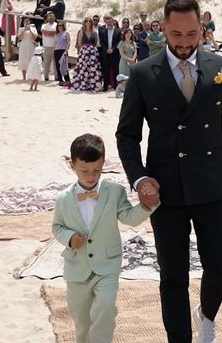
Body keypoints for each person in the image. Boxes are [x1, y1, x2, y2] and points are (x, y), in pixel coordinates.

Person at [116, 0, 222, 343]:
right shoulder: (141, 73)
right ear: (164, 28)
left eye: (191, 34)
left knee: (220, 268)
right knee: (173, 276)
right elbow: (127, 135)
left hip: (212, 184)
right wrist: (139, 178)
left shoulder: (221, 68)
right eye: (177, 34)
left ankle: (207, 316)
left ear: (203, 30)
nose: (184, 43)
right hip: (165, 189)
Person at [52, 134, 157, 343]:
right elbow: (57, 227)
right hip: (77, 269)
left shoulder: (115, 192)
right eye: (85, 171)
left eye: (97, 170)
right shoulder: (63, 199)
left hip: (107, 265)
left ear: (103, 165)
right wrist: (70, 238)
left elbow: (129, 217)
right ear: (72, 166)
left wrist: (148, 205)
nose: (91, 176)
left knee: (105, 309)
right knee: (81, 319)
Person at [71, 17, 103, 92]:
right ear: (84, 22)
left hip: (92, 52)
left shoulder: (94, 32)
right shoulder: (81, 31)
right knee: (83, 68)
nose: (88, 22)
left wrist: (91, 49)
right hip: (84, 51)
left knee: (92, 69)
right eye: (86, 21)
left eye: (89, 21)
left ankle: (92, 84)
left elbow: (95, 43)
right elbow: (79, 43)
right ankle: (83, 84)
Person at [99, 15, 121, 91]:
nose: (108, 22)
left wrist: (113, 49)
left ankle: (116, 86)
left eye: (110, 20)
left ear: (113, 21)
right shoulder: (102, 31)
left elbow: (119, 42)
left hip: (115, 54)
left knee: (116, 70)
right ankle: (105, 87)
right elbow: (101, 42)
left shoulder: (118, 31)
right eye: (107, 20)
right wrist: (106, 49)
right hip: (105, 54)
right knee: (105, 70)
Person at [41, 12, 57, 81]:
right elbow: (44, 32)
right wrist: (52, 33)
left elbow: (56, 33)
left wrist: (49, 33)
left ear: (54, 18)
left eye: (52, 17)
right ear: (47, 18)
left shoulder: (57, 25)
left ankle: (56, 77)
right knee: (46, 63)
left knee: (55, 63)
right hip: (46, 46)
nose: (50, 18)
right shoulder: (44, 25)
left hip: (55, 46)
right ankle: (46, 77)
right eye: (49, 17)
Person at [54, 21, 71, 85]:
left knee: (64, 65)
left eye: (61, 25)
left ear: (63, 26)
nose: (60, 27)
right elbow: (55, 43)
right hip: (56, 51)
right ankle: (60, 80)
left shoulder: (66, 33)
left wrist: (66, 51)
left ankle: (67, 80)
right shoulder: (56, 34)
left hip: (63, 50)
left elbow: (69, 42)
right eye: (58, 26)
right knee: (57, 66)